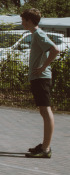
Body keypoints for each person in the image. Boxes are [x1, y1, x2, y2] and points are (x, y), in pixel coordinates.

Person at [21, 8, 60, 158]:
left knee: (46, 111)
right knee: (43, 111)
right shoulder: (35, 34)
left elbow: (55, 50)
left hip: (41, 78)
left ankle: (46, 149)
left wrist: (43, 67)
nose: (22, 23)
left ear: (29, 21)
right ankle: (44, 145)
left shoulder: (38, 34)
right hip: (38, 78)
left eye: (23, 20)